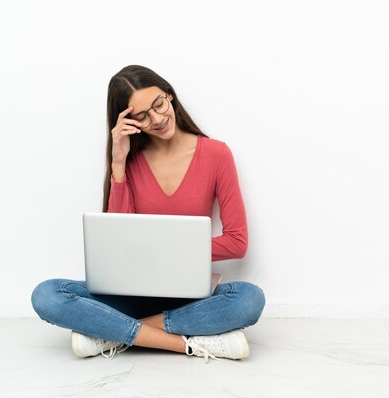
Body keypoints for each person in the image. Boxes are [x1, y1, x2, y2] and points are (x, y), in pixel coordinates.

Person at [30, 65, 265, 363]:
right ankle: (189, 344)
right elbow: (116, 241)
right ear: (128, 121)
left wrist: (168, 251)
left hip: (190, 297)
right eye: (141, 116)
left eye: (158, 104)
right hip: (130, 296)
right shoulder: (128, 162)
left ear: (170, 96)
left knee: (249, 300)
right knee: (47, 295)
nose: (156, 119)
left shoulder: (217, 154)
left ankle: (110, 333)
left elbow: (237, 242)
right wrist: (118, 163)